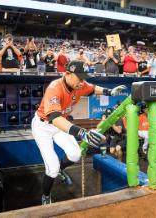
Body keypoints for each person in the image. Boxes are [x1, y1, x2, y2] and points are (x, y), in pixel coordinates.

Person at [31, 60, 126, 205]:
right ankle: (45, 196)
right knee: (52, 167)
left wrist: (109, 91)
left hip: (60, 126)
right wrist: (82, 133)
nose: (82, 82)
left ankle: (61, 170)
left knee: (75, 154)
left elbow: (93, 88)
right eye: (80, 78)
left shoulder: (79, 85)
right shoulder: (54, 88)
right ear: (68, 74)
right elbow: (55, 119)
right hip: (43, 127)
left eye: (84, 78)